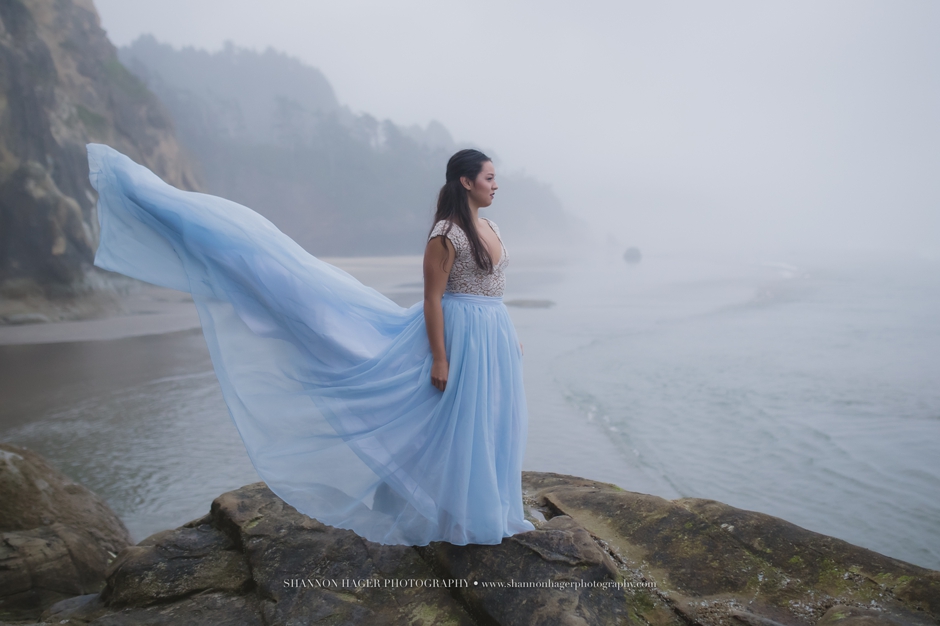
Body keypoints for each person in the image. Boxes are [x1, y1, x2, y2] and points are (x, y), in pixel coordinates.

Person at [86, 143, 536, 546]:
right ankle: (456, 517)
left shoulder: (492, 226)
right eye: (489, 177)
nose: (497, 185)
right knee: (458, 426)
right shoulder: (446, 234)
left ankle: (489, 511)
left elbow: (493, 288)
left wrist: (508, 333)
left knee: (490, 421)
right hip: (458, 335)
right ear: (466, 181)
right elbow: (432, 299)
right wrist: (439, 357)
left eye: (495, 177)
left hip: (492, 335)